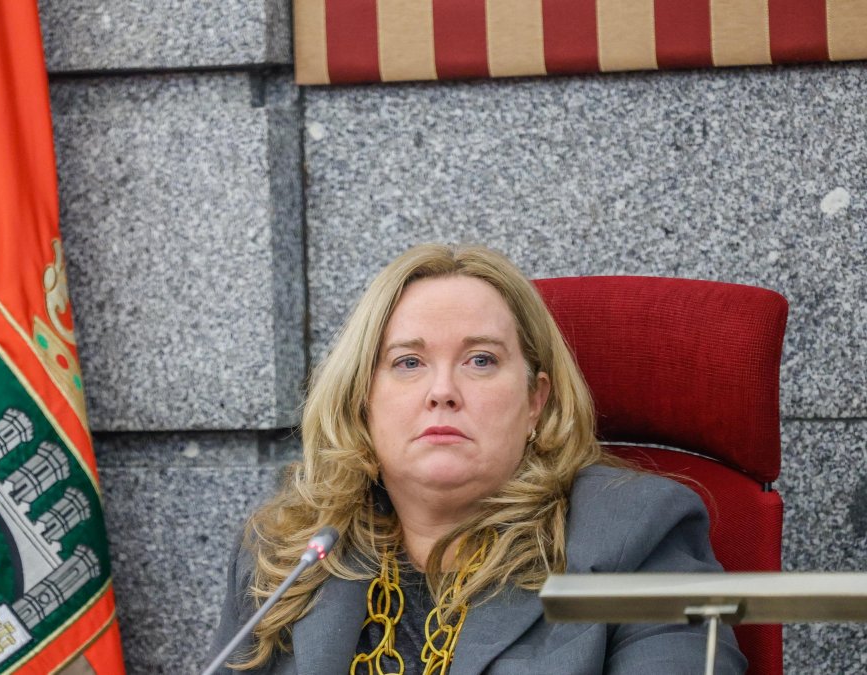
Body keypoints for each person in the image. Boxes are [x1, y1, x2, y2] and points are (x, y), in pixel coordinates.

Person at [209, 244, 746, 674]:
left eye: (481, 360)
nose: (442, 390)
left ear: (535, 400)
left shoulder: (635, 532)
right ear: (361, 402)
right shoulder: (284, 556)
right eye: (409, 361)